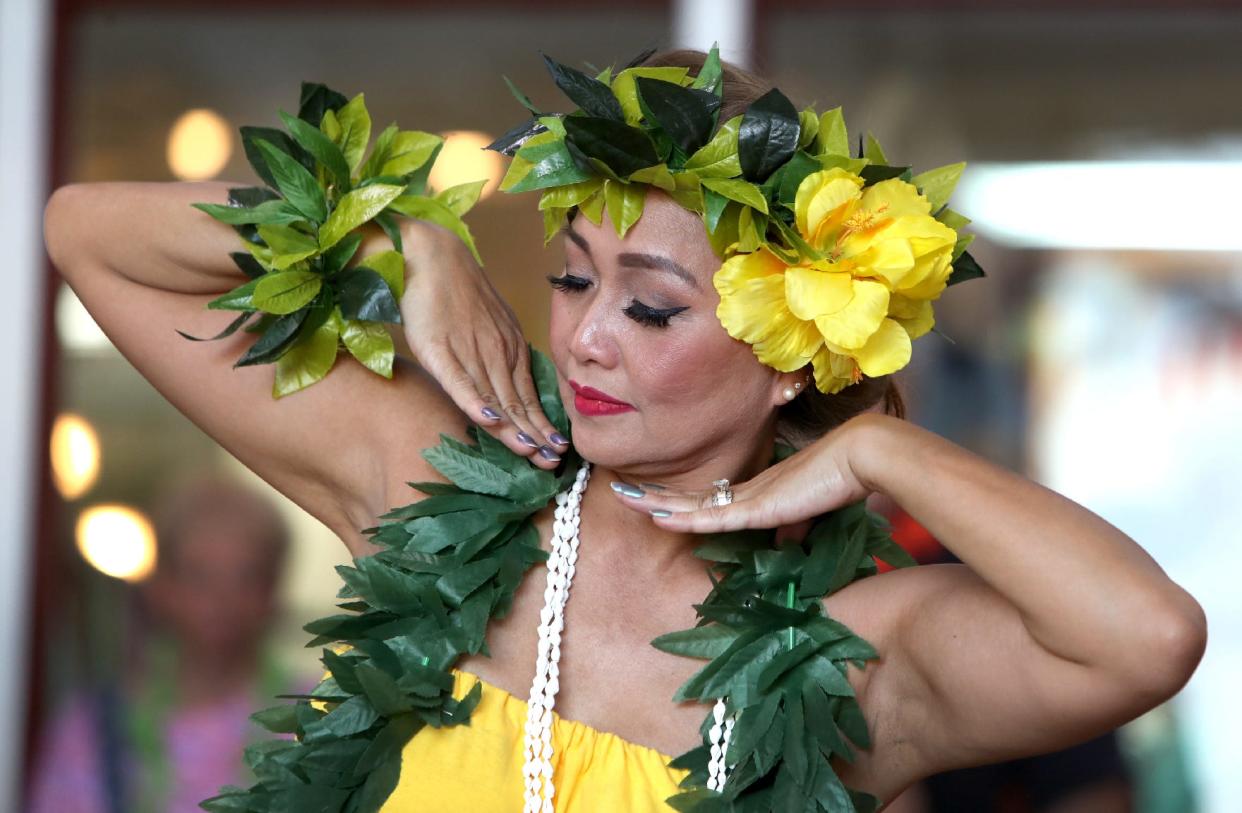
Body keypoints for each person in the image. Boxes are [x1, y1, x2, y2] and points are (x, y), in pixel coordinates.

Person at [42, 49, 1206, 812]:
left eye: (650, 305)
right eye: (569, 278)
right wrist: (389, 237)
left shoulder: (846, 659)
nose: (588, 337)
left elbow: (1146, 636)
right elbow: (91, 237)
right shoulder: (429, 494)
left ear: (789, 361)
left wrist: (885, 448)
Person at [27, 478, 295, 813]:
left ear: (273, 593)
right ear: (159, 588)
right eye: (199, 576)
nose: (223, 600)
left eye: (246, 577)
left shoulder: (318, 717)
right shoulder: (94, 729)